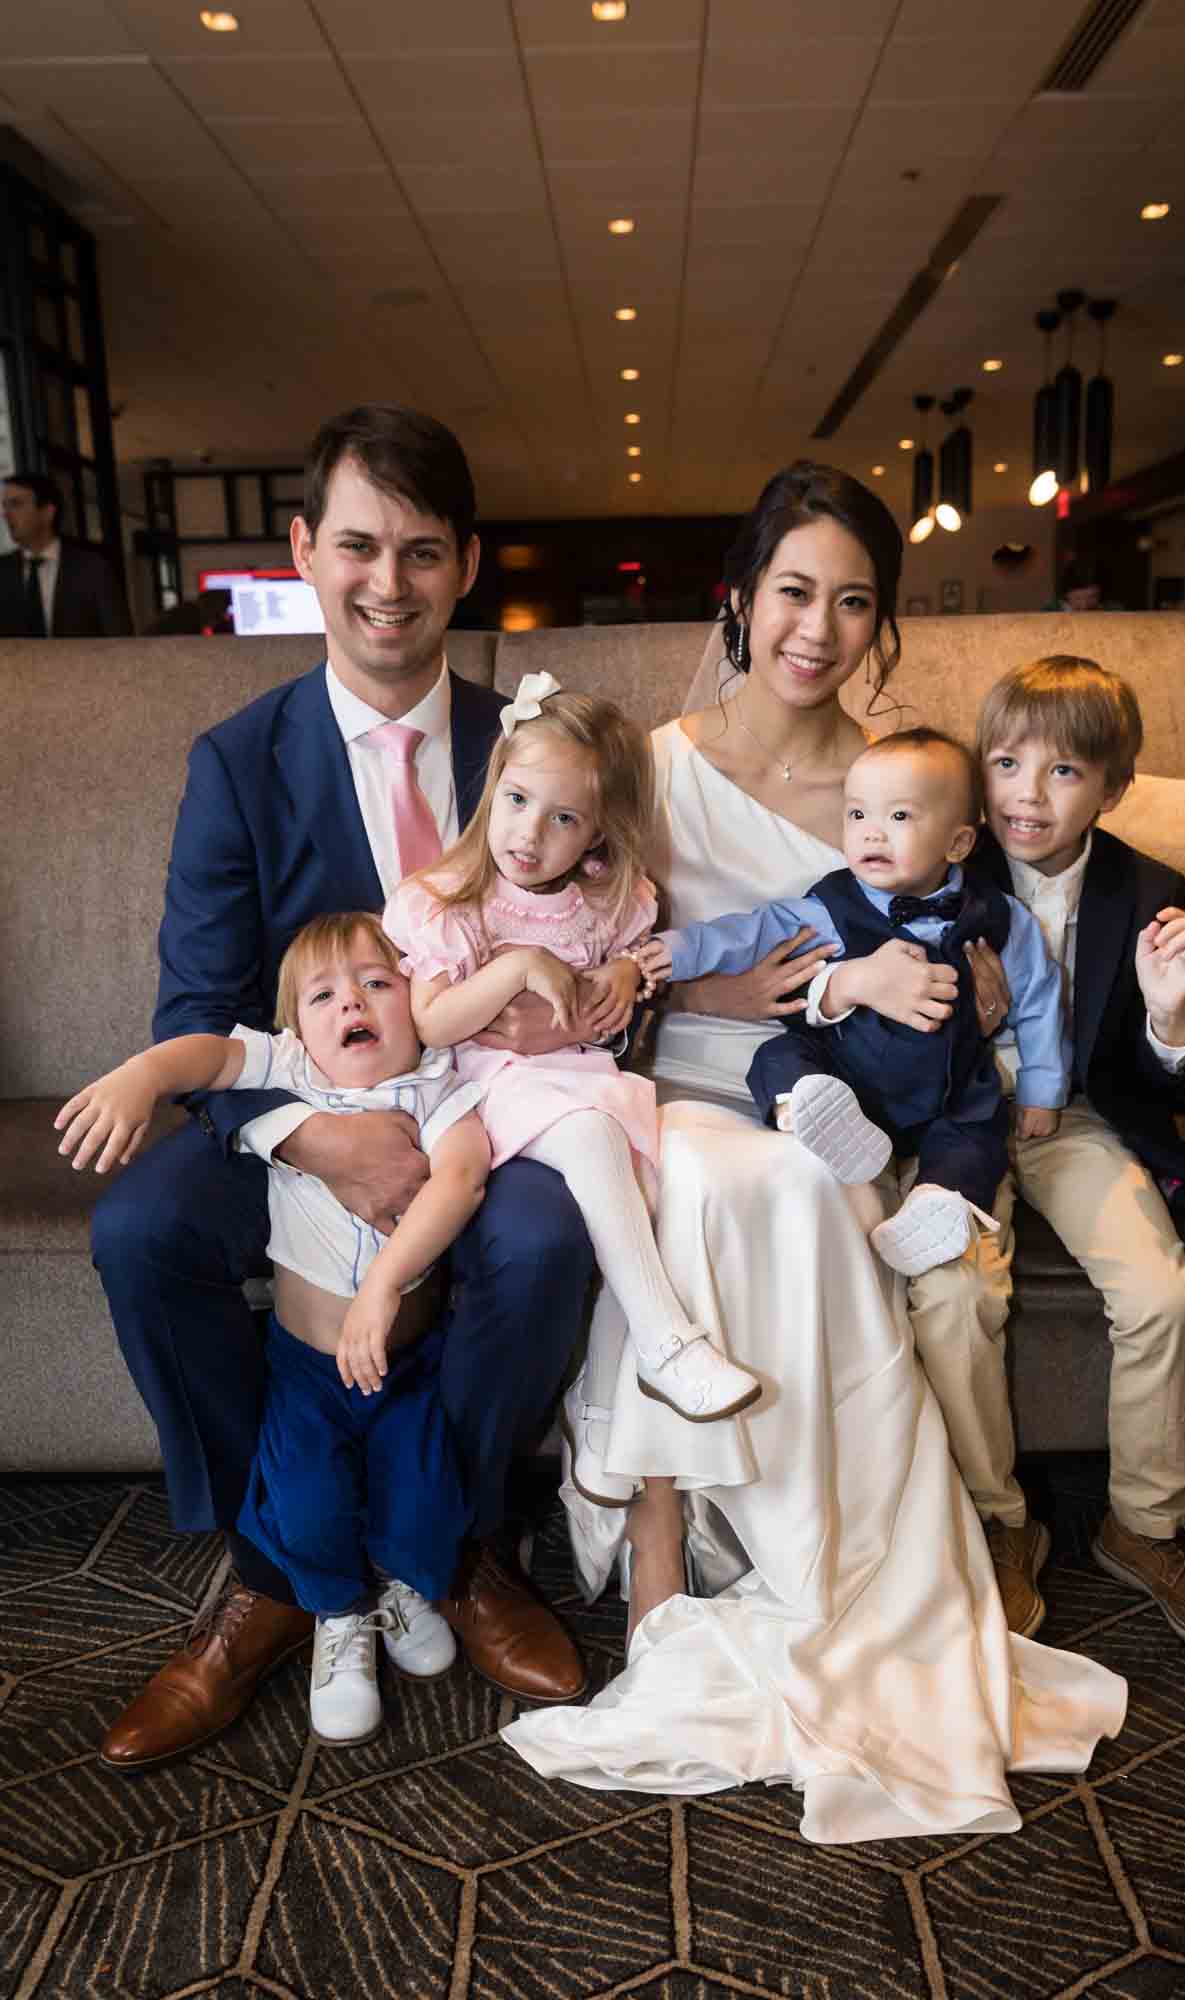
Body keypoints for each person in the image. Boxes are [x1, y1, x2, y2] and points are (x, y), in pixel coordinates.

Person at [502, 462, 1128, 1845]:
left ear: (879, 624)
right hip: (687, 1075)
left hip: (865, 1088)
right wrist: (708, 996)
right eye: (795, 590)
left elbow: (983, 952)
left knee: (790, 1181)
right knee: (734, 1180)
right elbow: (594, 950)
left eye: (854, 601)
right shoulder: (655, 766)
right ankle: (665, 1527)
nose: (818, 626)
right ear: (740, 596)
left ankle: (824, 1550)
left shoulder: (904, 785)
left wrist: (970, 1004)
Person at [90, 404, 591, 1775]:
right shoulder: (236, 764)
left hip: (488, 1100)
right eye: (359, 546)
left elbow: (602, 931)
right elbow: (197, 1015)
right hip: (289, 1104)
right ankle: (273, 1566)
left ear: (467, 565)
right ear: (305, 550)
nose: (388, 583)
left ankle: (464, 1542)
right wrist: (321, 1140)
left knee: (544, 1240)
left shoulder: (529, 751)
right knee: (140, 1233)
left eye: (422, 553)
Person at [58, 913, 488, 1749]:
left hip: (403, 1361)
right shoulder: (292, 1068)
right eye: (323, 995)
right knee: (305, 1500)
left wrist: (385, 1287)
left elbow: (461, 1181)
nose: (350, 1004)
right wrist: (142, 1076)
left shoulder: (442, 1085)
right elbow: (210, 1054)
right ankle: (335, 1614)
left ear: (419, 1000)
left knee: (423, 1490)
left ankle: (402, 1581)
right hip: (307, 1369)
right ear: (296, 1028)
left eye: (376, 983)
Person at [922, 655, 1185, 1655]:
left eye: (1063, 771)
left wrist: (1168, 1015)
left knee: (1164, 1293)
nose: (1026, 792)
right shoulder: (940, 861)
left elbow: (1158, 1079)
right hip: (962, 1117)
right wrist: (963, 1025)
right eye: (1005, 762)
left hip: (1073, 1120)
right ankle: (996, 1520)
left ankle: (1147, 1529)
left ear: (1111, 787)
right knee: (950, 1295)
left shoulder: (1150, 886)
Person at [383, 677, 760, 1507]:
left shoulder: (607, 900)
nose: (530, 834)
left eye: (563, 819)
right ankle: (666, 1344)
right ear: (493, 788)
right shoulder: (447, 901)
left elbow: (623, 974)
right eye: (517, 800)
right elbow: (438, 1023)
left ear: (596, 833)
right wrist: (517, 965)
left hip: (579, 1074)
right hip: (480, 1087)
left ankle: (606, 1420)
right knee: (593, 1140)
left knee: (638, 1195)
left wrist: (625, 970)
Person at [638, 727, 1066, 1278]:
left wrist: (1043, 1089)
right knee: (778, 1058)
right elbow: (748, 933)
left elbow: (1039, 998)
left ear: (958, 844)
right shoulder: (832, 904)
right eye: (858, 816)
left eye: (900, 817)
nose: (872, 835)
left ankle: (935, 1207)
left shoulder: (1001, 917)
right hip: (849, 1078)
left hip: (950, 1089)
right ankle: (804, 1108)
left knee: (975, 1138)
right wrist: (674, 951)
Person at [0, 472, 133, 637]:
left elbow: (119, 638)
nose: (5, 514)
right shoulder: (3, 571)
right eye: (5, 506)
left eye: (16, 504)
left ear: (47, 512)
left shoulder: (93, 568)